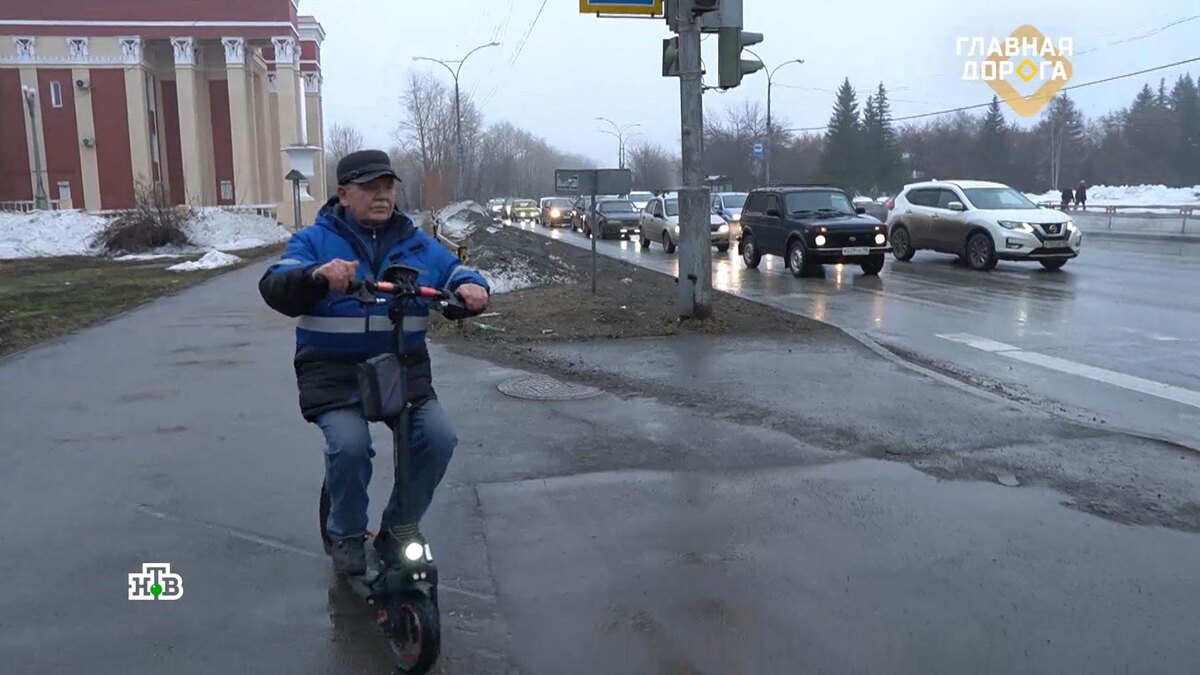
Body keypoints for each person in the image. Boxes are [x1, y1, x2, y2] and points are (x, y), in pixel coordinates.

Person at [259, 149, 489, 575]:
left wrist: (473, 287)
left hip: (402, 370)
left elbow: (453, 272)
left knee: (438, 439)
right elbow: (275, 285)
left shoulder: (415, 242)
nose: (382, 196)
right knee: (350, 447)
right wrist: (317, 277)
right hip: (332, 370)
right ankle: (346, 535)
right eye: (370, 188)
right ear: (344, 194)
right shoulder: (314, 240)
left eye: (387, 188)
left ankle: (399, 527)